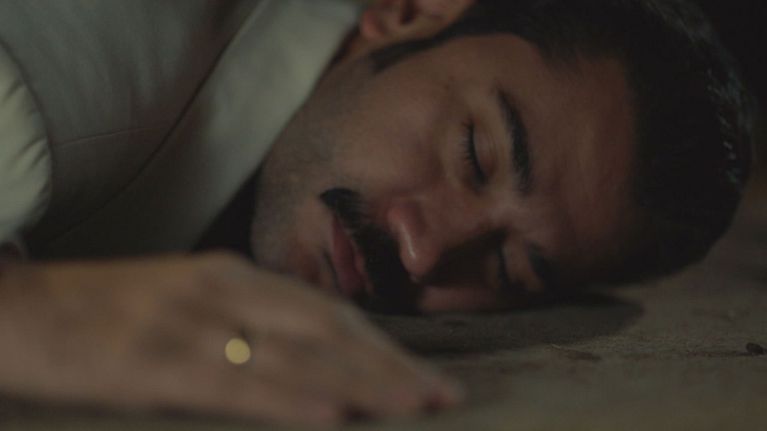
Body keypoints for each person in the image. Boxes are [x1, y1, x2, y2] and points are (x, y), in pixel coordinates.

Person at [0, 0, 753, 426]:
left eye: (506, 268)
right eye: (474, 153)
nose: (423, 254)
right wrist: (42, 316)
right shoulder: (97, 68)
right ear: (408, 13)